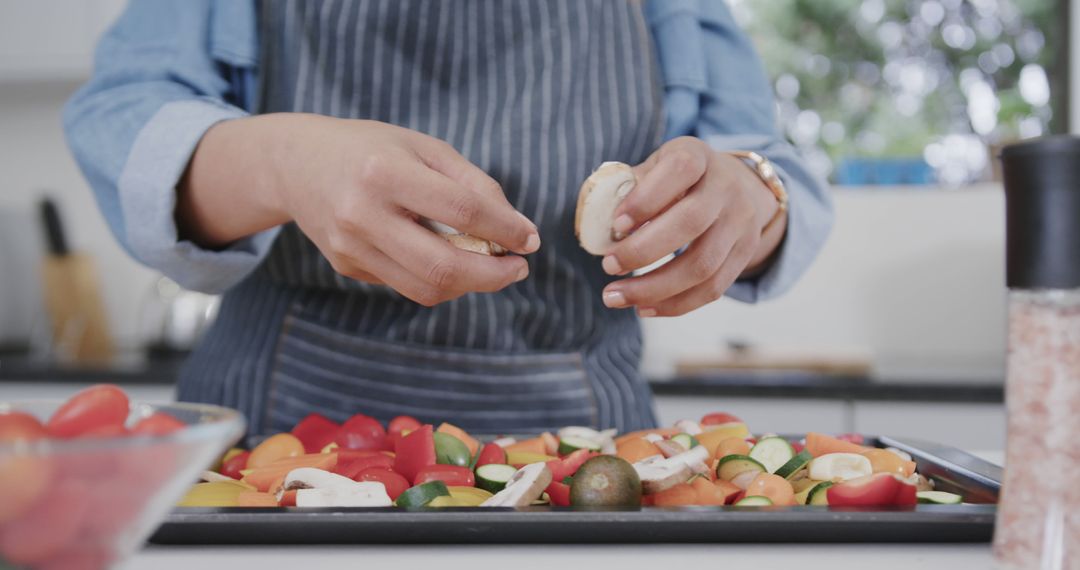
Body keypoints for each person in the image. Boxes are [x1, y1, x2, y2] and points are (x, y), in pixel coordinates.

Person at [64, 0, 833, 436]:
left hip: (590, 447)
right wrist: (278, 161)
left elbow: (764, 165)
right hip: (278, 434)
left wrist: (749, 194)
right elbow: (122, 117)